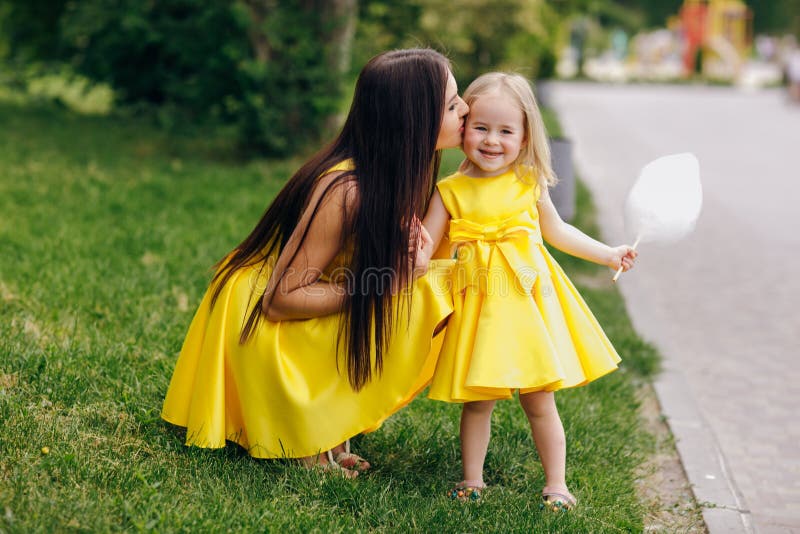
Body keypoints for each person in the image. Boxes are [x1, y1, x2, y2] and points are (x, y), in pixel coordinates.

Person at [161, 48, 469, 478]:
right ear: (413, 119)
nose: (466, 110)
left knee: (440, 287)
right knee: (404, 295)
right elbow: (282, 298)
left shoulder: (405, 171)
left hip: (321, 290)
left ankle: (331, 428)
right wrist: (380, 287)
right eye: (452, 104)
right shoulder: (347, 189)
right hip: (260, 317)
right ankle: (303, 437)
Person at [422, 72, 637, 508]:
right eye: (481, 127)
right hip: (479, 308)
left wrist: (608, 254)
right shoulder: (449, 192)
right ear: (464, 130)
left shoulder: (527, 183)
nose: (491, 141)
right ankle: (472, 479)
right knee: (478, 402)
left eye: (506, 131)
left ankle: (556, 483)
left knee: (540, 401)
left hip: (527, 309)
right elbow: (425, 248)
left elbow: (558, 232)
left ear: (524, 138)